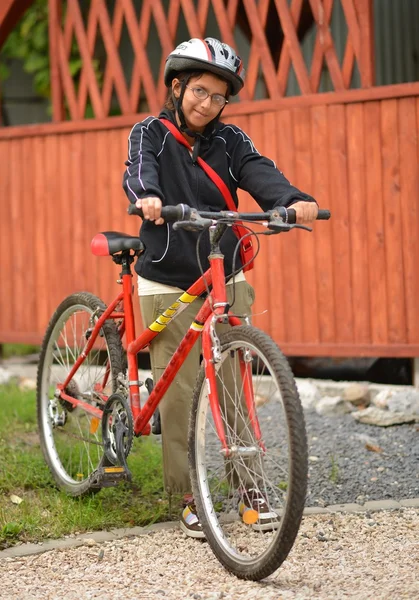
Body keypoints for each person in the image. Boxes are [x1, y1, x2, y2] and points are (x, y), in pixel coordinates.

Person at [123, 37, 318, 538]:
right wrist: (147, 196)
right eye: (199, 91)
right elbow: (139, 171)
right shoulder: (150, 133)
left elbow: (261, 173)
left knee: (234, 383)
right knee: (181, 388)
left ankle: (249, 485)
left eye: (218, 97)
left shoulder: (231, 143)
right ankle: (188, 491)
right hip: (167, 275)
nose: (207, 104)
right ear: (177, 85)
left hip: (223, 272)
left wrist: (293, 201)